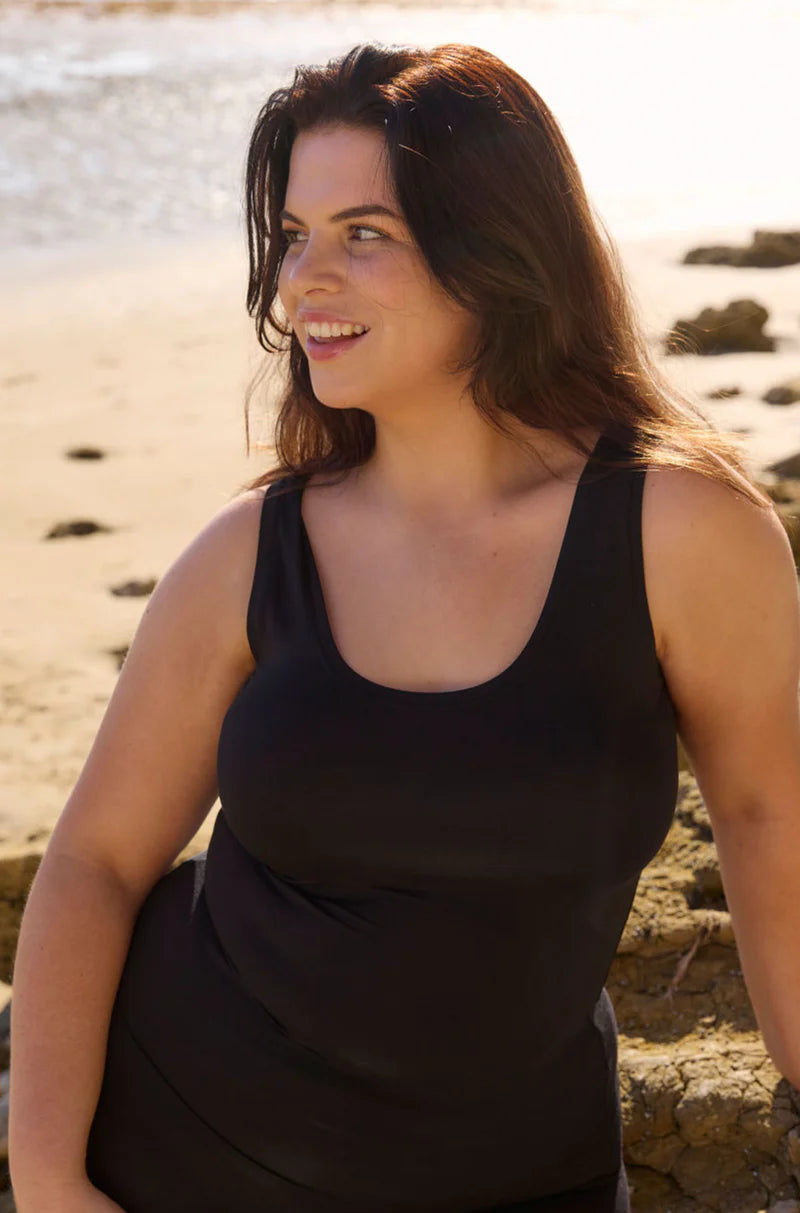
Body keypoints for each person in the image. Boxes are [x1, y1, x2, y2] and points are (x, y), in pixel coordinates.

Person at [10, 39, 800, 1213]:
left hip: (523, 1178)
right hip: (177, 1151)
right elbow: (92, 864)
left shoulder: (680, 532)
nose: (302, 280)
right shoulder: (250, 553)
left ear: (497, 251)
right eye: (293, 236)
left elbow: (764, 818)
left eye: (362, 234)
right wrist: (50, 1178)